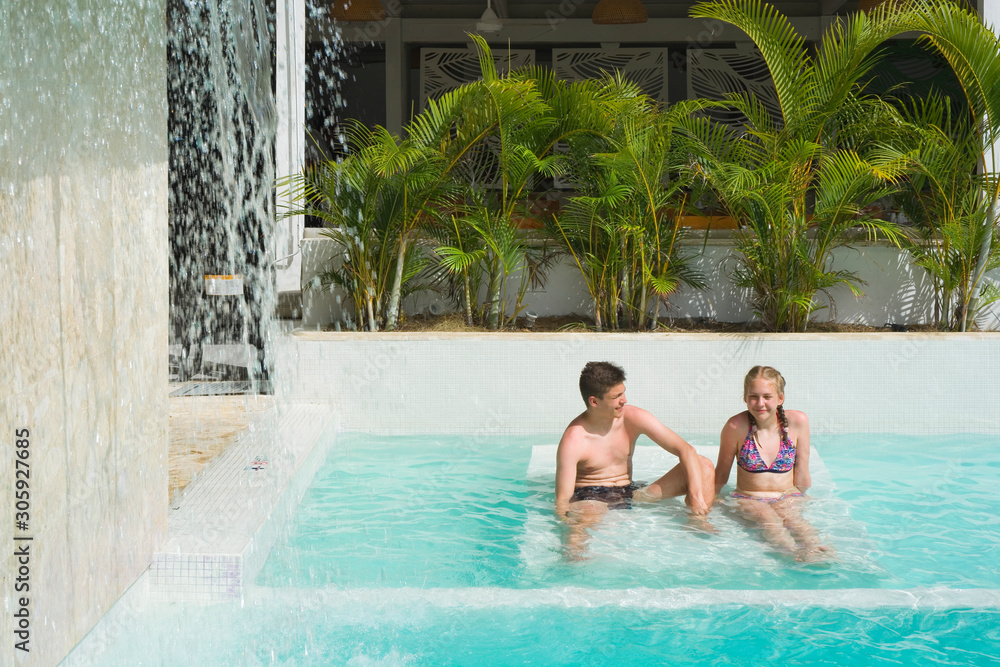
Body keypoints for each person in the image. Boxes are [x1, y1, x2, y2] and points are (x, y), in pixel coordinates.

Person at [555, 361, 715, 557]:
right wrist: (569, 525)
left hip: (630, 492)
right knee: (582, 521)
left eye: (623, 393)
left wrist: (698, 498)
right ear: (594, 401)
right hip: (592, 497)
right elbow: (562, 500)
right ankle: (574, 560)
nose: (624, 400)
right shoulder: (574, 439)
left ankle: (696, 524)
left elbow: (685, 450)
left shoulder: (632, 417)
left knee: (703, 465)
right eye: (616, 397)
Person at [715, 365, 834, 562]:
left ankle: (819, 550)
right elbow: (721, 474)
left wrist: (801, 498)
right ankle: (792, 556)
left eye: (767, 397)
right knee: (767, 518)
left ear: (780, 398)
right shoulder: (735, 427)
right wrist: (712, 502)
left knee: (795, 521)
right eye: (753, 396)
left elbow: (802, 471)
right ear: (745, 398)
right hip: (749, 498)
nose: (760, 403)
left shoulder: (798, 422)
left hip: (786, 495)